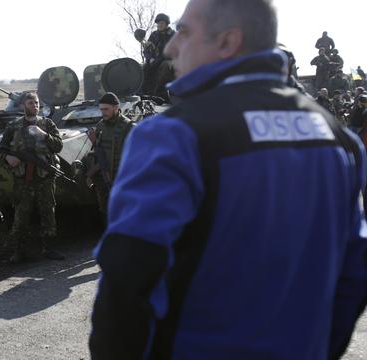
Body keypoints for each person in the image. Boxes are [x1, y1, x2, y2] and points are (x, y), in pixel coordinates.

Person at [89, 0, 367, 359]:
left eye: (185, 31)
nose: (172, 46)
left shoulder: (172, 135)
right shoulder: (336, 137)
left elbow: (128, 281)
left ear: (227, 42)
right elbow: (355, 268)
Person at [0, 92, 65, 263]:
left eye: (36, 103)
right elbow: (2, 149)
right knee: (21, 214)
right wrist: (7, 158)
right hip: (23, 178)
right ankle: (19, 251)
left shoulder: (47, 124)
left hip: (44, 177)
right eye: (30, 103)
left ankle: (49, 248)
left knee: (47, 212)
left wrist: (43, 134)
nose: (34, 106)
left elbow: (58, 146)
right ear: (23, 106)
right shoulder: (13, 126)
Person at [83, 92, 134, 215]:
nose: (103, 112)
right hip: (104, 179)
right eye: (101, 109)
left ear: (116, 108)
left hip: (122, 180)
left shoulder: (128, 127)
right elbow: (98, 151)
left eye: (106, 109)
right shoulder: (100, 125)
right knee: (106, 212)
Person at [142, 13, 176, 99]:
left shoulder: (172, 35)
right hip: (155, 60)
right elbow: (147, 50)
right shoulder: (154, 35)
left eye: (162, 23)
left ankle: (158, 93)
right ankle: (144, 92)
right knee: (145, 67)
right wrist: (150, 59)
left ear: (166, 24)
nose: (160, 25)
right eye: (158, 23)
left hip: (170, 60)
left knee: (165, 65)